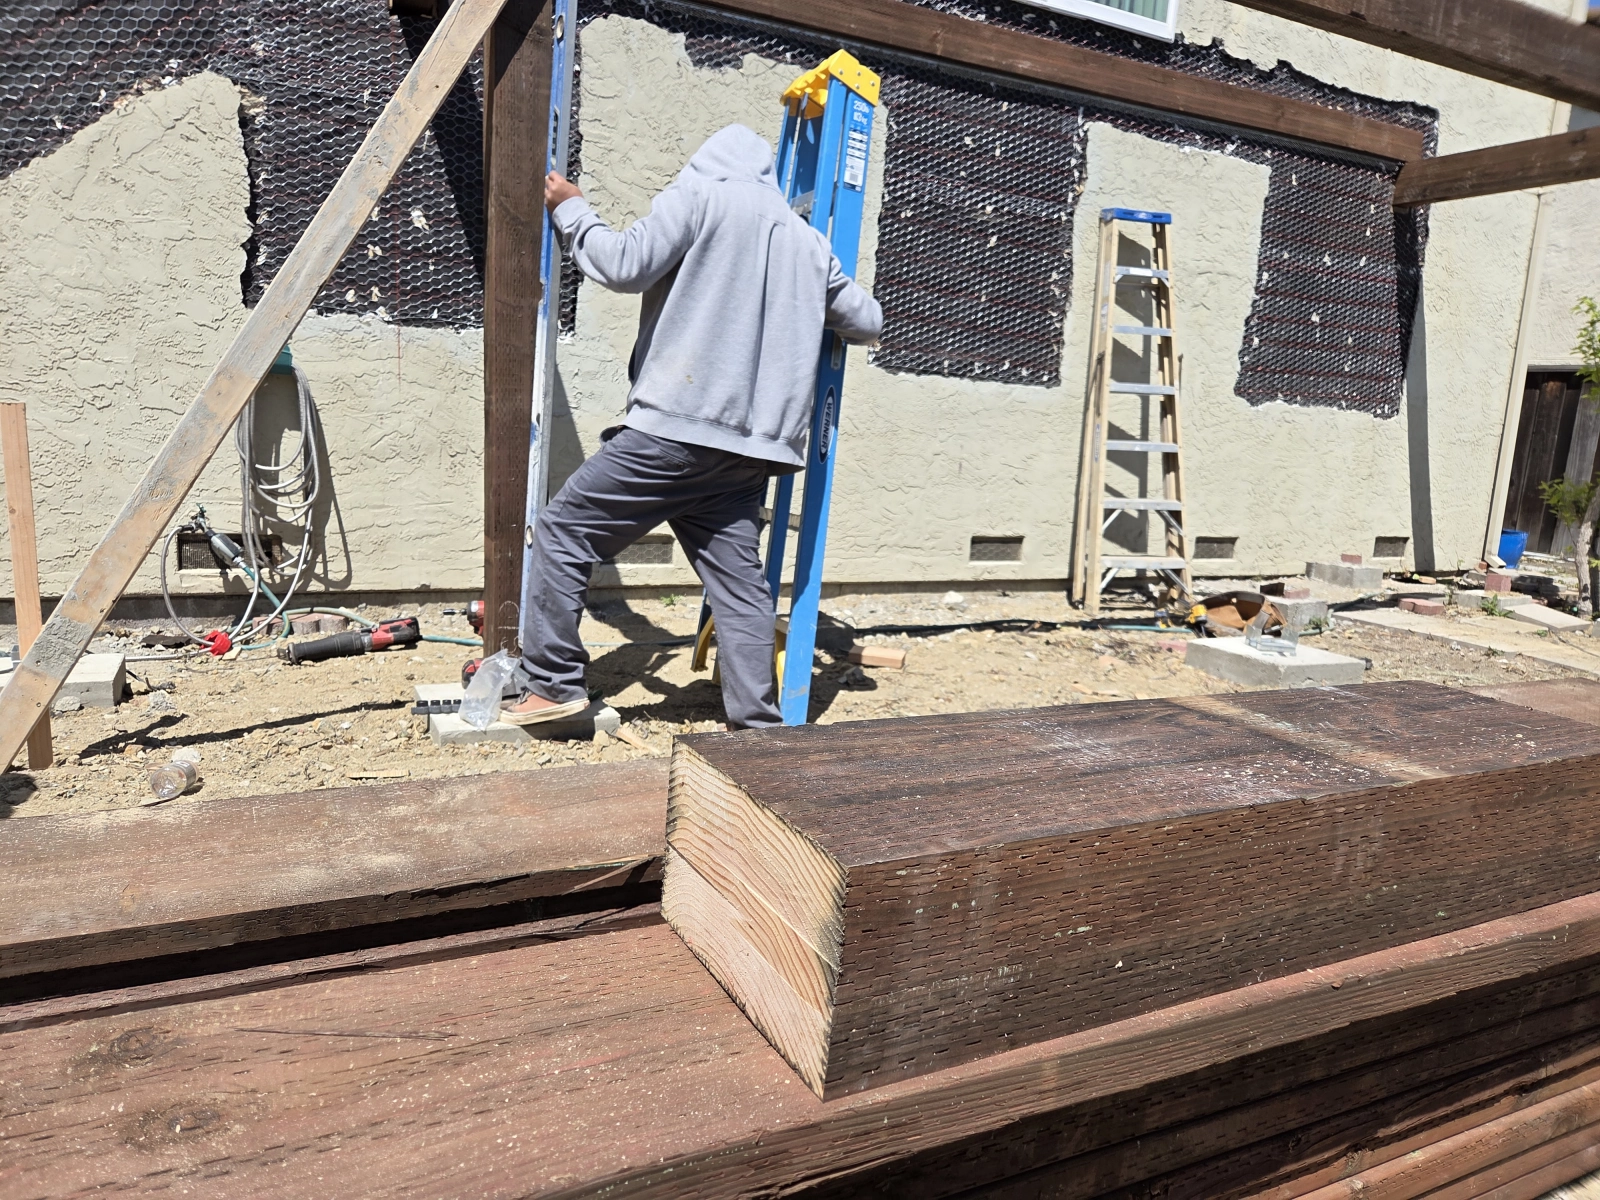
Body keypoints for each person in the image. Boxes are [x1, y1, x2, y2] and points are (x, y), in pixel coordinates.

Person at [502, 124, 884, 730]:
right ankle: (756, 723)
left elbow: (622, 264)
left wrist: (571, 210)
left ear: (706, 163)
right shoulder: (807, 241)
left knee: (562, 532)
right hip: (753, 452)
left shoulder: (699, 197)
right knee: (739, 585)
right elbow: (867, 320)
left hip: (676, 432)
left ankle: (551, 687)